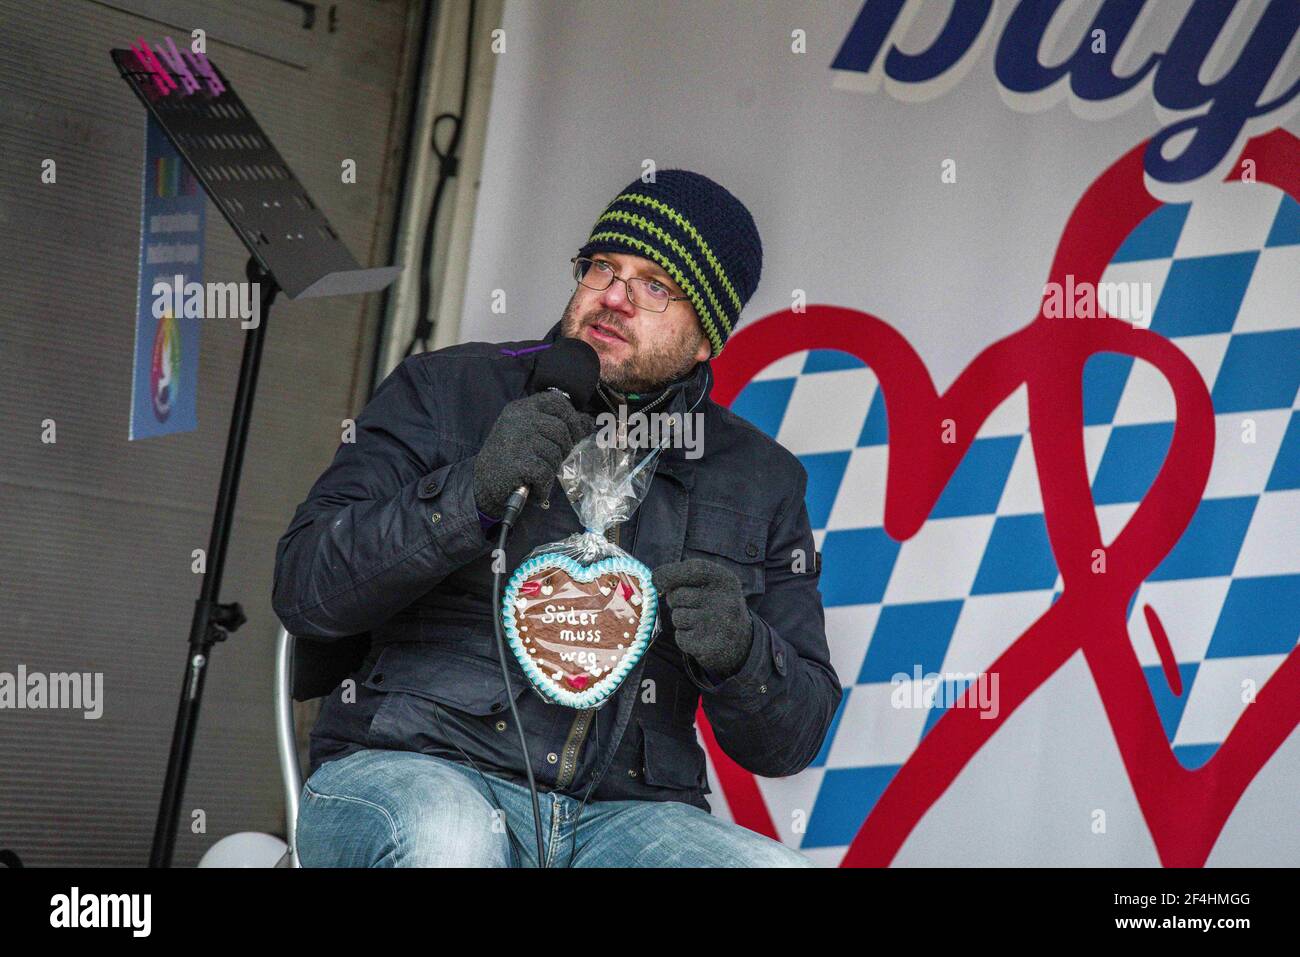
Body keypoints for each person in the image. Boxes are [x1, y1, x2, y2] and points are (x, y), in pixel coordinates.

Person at [273, 169, 840, 867]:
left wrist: (743, 651)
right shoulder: (446, 389)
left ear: (706, 338)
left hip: (621, 817)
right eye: (603, 265)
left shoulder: (760, 479)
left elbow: (794, 738)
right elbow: (306, 586)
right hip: (417, 766)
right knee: (451, 843)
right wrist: (470, 495)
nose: (612, 297)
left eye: (655, 285)